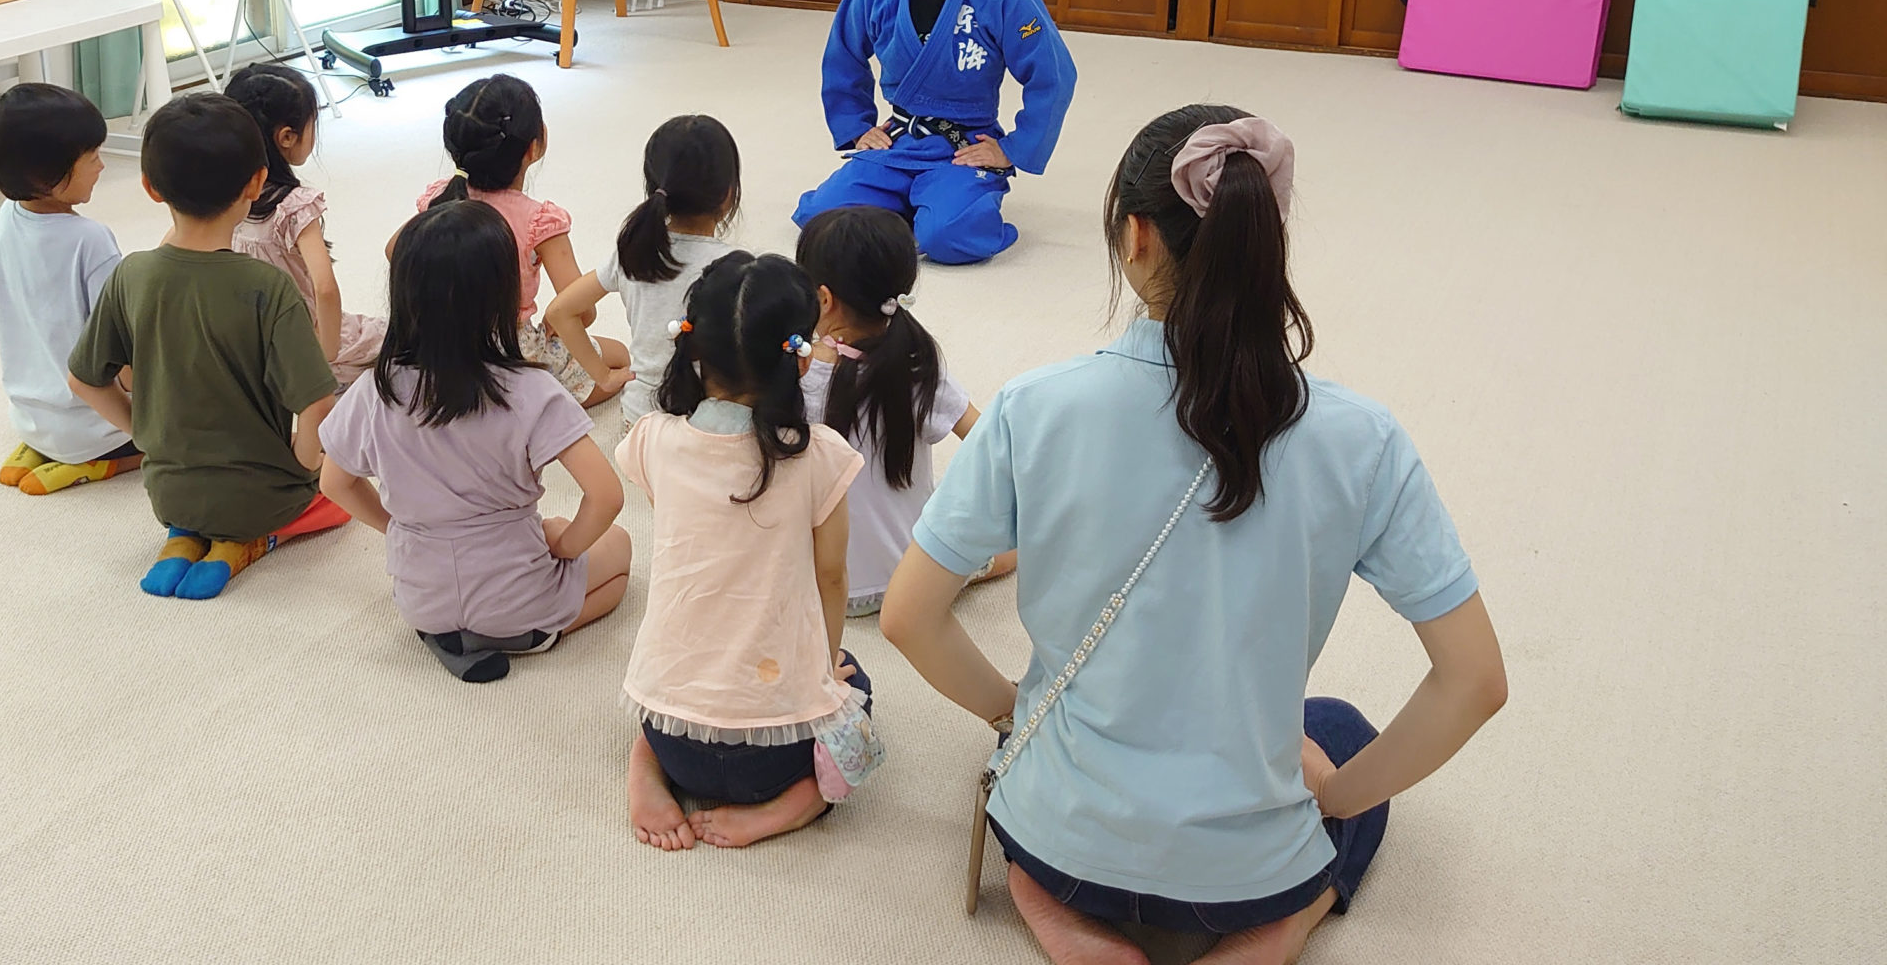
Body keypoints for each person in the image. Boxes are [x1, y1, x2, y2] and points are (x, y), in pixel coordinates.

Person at [881, 106, 1508, 965]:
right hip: (1246, 869)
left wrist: (1011, 710)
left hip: (1070, 843)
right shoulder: (1363, 439)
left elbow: (910, 617)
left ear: (1134, 237)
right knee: (1340, 731)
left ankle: (1060, 918)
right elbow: (1474, 681)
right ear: (1264, 237)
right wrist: (1335, 797)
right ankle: (1273, 930)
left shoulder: (1036, 406)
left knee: (1035, 776)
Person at [319, 201, 633, 684]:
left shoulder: (371, 391)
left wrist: (398, 529)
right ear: (503, 295)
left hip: (421, 600)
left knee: (537, 544)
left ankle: (460, 637)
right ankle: (527, 634)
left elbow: (335, 482)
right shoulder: (532, 390)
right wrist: (567, 548)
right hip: (518, 598)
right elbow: (607, 496)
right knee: (619, 552)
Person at [619, 252, 871, 852]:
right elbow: (831, 579)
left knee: (677, 678)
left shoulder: (652, 438)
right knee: (858, 683)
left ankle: (646, 766)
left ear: (692, 346)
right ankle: (792, 805)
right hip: (775, 761)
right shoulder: (821, 457)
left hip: (675, 738)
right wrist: (824, 663)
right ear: (802, 356)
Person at [68, 93, 351, 601]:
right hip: (263, 497)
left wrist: (143, 431)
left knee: (206, 501)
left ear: (151, 187)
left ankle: (186, 537)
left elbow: (83, 379)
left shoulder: (132, 273)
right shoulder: (267, 286)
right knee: (341, 494)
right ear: (258, 182)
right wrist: (307, 462)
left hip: (168, 492)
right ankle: (250, 541)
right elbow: (317, 403)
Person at [791, 0, 1076, 266]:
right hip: (901, 139)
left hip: (962, 147)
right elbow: (843, 57)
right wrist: (856, 128)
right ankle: (914, 203)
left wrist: (1013, 149)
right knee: (822, 219)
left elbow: (1054, 74)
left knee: (949, 235)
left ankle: (948, 205)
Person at [792, 205, 1013, 615]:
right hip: (918, 576)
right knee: (1010, 543)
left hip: (823, 584)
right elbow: (989, 442)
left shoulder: (796, 375)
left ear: (822, 299)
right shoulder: (917, 366)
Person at [407, 75, 632, 408]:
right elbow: (581, 308)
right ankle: (523, 408)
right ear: (533, 147)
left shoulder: (437, 201)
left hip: (439, 343)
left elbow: (394, 251)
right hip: (510, 348)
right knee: (620, 358)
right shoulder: (539, 223)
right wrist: (559, 324)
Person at [0, 83, 139, 495]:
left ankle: (44, 448)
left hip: (29, 417)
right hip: (99, 428)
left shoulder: (9, 216)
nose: (102, 166)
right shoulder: (90, 239)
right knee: (186, 427)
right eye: (93, 157)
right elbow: (122, 344)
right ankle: (98, 466)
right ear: (46, 176)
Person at [545, 114, 739, 427]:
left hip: (641, 420)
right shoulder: (735, 267)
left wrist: (604, 377)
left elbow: (559, 312)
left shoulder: (633, 253)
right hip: (706, 424)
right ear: (727, 193)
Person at [225, 64, 382, 387]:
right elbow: (325, 288)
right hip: (302, 341)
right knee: (393, 339)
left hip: (251, 343)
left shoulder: (221, 200)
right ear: (287, 136)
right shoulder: (293, 207)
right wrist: (326, 355)